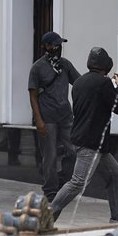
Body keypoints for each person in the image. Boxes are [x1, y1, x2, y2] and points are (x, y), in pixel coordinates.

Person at [50, 47, 118, 223]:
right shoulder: (104, 83)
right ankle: (47, 215)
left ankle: (117, 219)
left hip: (88, 140)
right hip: (91, 143)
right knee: (77, 182)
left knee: (116, 175)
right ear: (105, 65)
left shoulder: (78, 82)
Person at [28, 31, 79, 201]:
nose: (59, 48)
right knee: (49, 156)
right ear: (47, 46)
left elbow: (78, 83)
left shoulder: (65, 65)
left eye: (60, 45)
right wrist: (39, 120)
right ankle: (50, 190)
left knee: (73, 151)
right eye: (56, 45)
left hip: (66, 115)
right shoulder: (37, 67)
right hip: (47, 117)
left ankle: (62, 181)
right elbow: (33, 95)